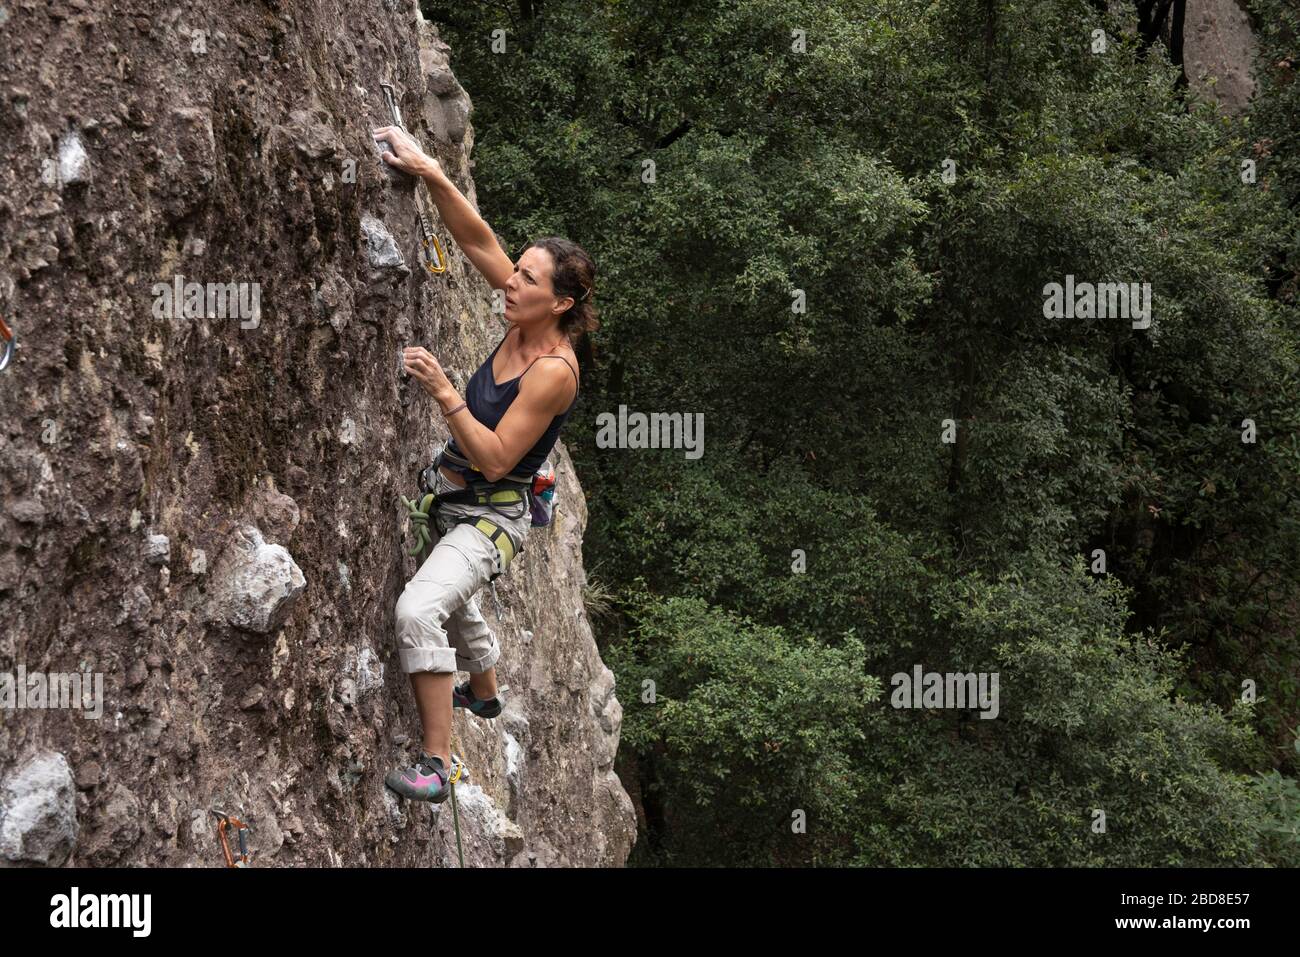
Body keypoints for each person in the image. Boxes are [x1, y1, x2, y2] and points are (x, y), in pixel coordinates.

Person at [372, 124, 598, 803]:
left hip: (491, 514)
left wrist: (445, 391)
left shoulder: (555, 368)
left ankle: (437, 762)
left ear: (559, 301)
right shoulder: (525, 315)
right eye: (518, 270)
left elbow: (498, 459)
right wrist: (432, 172)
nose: (510, 281)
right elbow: (477, 242)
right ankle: (485, 690)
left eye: (526, 278)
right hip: (460, 500)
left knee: (420, 608)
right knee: (455, 592)